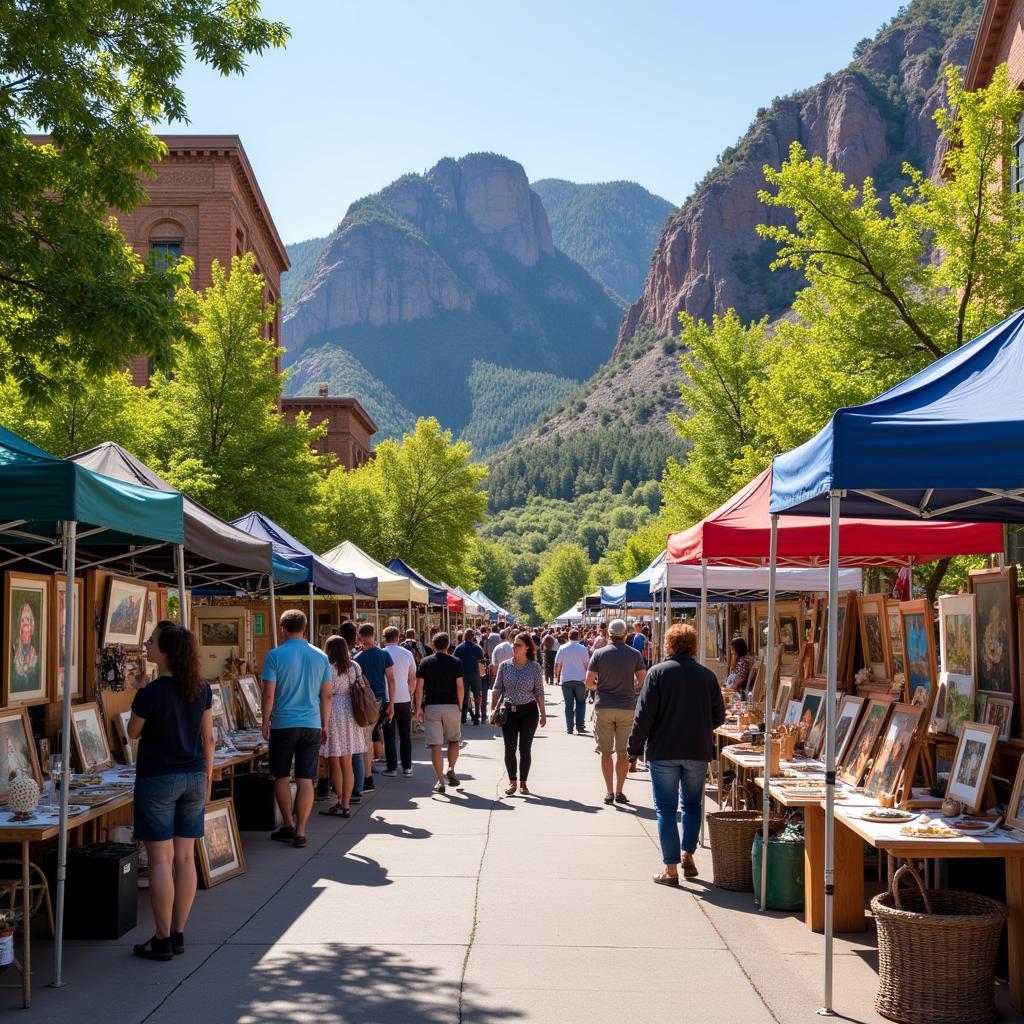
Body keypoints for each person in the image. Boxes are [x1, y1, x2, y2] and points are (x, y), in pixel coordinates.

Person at [128, 621, 214, 960]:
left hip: (159, 778)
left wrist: (140, 690)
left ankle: (161, 939)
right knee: (185, 858)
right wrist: (207, 779)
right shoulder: (201, 688)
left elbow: (133, 732)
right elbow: (209, 738)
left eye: (151, 642)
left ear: (163, 651)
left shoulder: (150, 693)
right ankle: (177, 933)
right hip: (194, 775)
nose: (146, 646)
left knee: (161, 861)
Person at [628, 623, 724, 885]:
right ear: (694, 645)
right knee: (692, 806)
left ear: (668, 644)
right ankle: (687, 853)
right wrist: (699, 727)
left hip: (664, 750)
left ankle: (671, 870)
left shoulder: (658, 674)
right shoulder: (707, 676)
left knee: (666, 809)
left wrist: (633, 749)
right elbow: (719, 716)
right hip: (696, 749)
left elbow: (644, 716)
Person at [260, 609, 333, 848]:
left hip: (283, 723)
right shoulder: (320, 656)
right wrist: (325, 723)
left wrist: (265, 720)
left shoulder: (275, 655)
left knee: (280, 775)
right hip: (311, 723)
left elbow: (268, 693)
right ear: (305, 627)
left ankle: (288, 824)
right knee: (305, 778)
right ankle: (301, 831)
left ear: (282, 628)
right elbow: (327, 696)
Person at [586, 618, 646, 805]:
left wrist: (601, 687)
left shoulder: (599, 654)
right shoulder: (635, 654)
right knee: (622, 752)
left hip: (604, 705)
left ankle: (609, 792)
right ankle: (620, 791)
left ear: (608, 635)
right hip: (626, 706)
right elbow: (642, 681)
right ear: (626, 635)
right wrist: (631, 688)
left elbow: (588, 682)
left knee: (606, 752)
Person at [491, 632, 546, 796]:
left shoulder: (534, 667)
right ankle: (512, 781)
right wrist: (492, 709)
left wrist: (543, 713)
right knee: (509, 748)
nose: (514, 648)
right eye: (513, 645)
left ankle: (523, 783)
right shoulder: (505, 666)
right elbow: (497, 689)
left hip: (529, 711)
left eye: (518, 645)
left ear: (527, 647)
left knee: (525, 748)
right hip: (509, 711)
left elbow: (539, 692)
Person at [317, 635, 366, 818]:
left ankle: (339, 801)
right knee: (348, 763)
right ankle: (345, 804)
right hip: (351, 711)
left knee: (334, 760)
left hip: (334, 712)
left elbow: (327, 696)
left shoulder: (328, 668)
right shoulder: (355, 666)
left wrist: (324, 722)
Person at [415, 633, 464, 794]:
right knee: (453, 740)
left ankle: (440, 781)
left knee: (436, 744)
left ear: (433, 645)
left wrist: (418, 707)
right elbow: (460, 686)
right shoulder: (455, 662)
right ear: (448, 645)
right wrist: (460, 705)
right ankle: (451, 767)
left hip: (432, 706)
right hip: (451, 705)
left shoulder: (425, 662)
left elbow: (419, 687)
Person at [354, 623, 395, 777]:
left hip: (364, 702)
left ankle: (368, 773)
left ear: (360, 637)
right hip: (380, 699)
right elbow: (391, 680)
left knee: (367, 737)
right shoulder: (384, 655)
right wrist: (391, 703)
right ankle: (368, 771)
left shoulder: (357, 658)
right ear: (374, 635)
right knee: (371, 735)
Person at [339, 620, 372, 799]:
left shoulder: (332, 663)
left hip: (337, 710)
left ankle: (340, 791)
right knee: (355, 751)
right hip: (355, 707)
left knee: (339, 754)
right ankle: (357, 788)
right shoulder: (356, 659)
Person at [382, 626, 417, 776]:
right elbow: (413, 676)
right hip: (404, 697)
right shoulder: (407, 653)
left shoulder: (381, 653)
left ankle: (392, 767)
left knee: (389, 735)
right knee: (405, 734)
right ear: (398, 638)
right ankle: (407, 767)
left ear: (384, 638)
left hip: (387, 697)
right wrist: (411, 693)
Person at [554, 628, 591, 735]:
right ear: (578, 637)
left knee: (568, 704)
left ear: (568, 637)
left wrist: (557, 676)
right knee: (581, 703)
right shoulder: (583, 649)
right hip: (580, 679)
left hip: (566, 679)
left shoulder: (562, 648)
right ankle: (580, 725)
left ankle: (569, 727)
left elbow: (557, 663)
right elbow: (587, 665)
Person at [454, 628, 487, 724]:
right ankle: (477, 717)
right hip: (475, 674)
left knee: (464, 695)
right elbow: (481, 663)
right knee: (477, 696)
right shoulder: (478, 648)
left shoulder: (459, 648)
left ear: (465, 636)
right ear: (473, 637)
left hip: (463, 675)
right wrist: (481, 675)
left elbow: (455, 661)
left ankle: (463, 717)